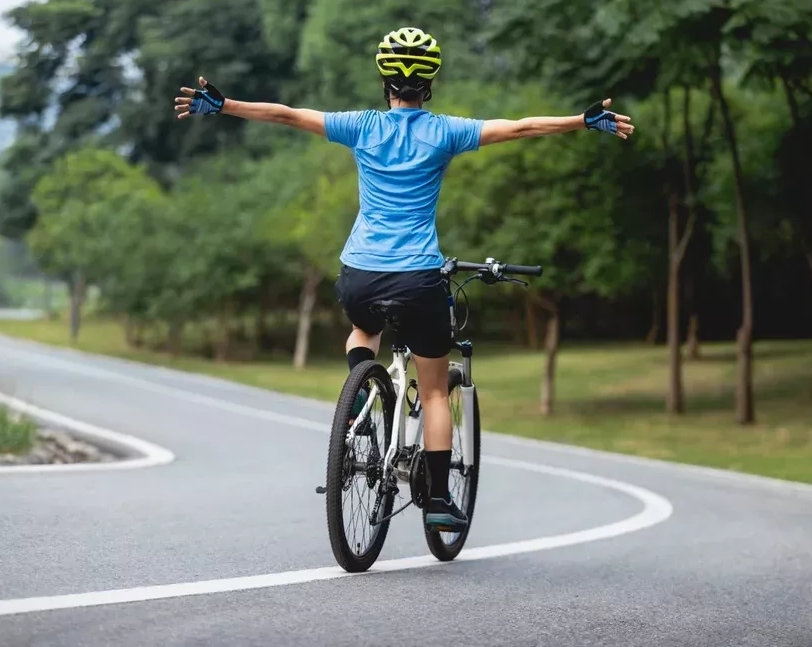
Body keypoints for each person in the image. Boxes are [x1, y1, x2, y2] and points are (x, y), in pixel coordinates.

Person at [174, 26, 634, 531]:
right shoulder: (447, 132)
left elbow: (286, 114)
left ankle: (359, 402)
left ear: (385, 81)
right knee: (435, 391)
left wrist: (223, 106)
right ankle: (437, 500)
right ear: (429, 85)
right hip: (417, 277)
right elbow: (520, 127)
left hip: (360, 276)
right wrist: (583, 121)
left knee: (362, 331)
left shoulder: (361, 126)